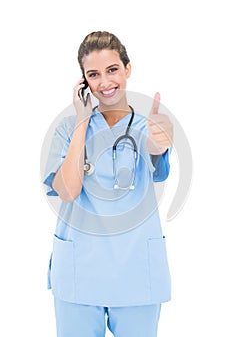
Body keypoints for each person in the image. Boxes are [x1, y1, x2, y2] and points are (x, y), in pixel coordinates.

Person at [43, 31, 173, 337]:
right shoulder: (68, 130)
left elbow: (156, 151)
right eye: (93, 74)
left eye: (112, 69)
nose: (104, 82)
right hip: (79, 274)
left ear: (127, 69)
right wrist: (82, 120)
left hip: (136, 274)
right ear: (84, 82)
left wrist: (160, 142)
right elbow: (69, 190)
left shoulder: (147, 127)